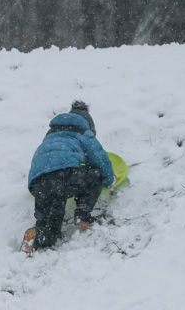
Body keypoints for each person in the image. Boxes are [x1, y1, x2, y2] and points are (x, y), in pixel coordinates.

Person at [21, 101, 115, 254]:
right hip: (65, 175)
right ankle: (82, 214)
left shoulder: (50, 135)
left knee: (51, 228)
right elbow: (100, 159)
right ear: (89, 124)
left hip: (39, 182)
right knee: (96, 175)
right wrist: (109, 179)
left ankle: (37, 236)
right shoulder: (83, 132)